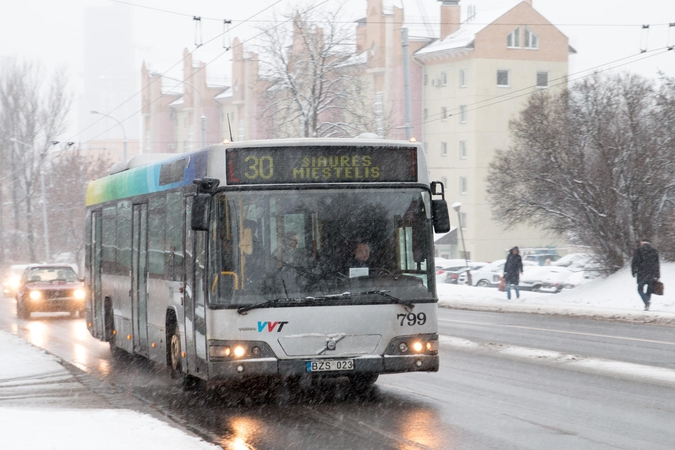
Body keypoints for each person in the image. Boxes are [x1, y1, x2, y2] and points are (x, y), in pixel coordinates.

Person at [631, 239, 660, 311]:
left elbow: (634, 262)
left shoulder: (638, 250)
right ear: (649, 243)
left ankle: (646, 301)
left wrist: (634, 271)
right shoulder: (654, 250)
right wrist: (657, 275)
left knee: (640, 289)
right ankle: (647, 302)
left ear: (642, 243)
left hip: (642, 273)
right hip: (651, 273)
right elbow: (657, 264)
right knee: (649, 289)